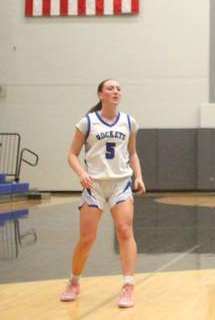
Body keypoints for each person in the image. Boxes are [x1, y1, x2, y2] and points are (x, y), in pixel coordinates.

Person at [59, 79, 145, 308]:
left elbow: (132, 152)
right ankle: (73, 282)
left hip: (120, 183)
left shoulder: (129, 122)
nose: (115, 91)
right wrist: (81, 173)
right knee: (87, 238)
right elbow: (72, 154)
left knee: (125, 231)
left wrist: (138, 176)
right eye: (110, 88)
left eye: (118, 88)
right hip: (94, 185)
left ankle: (128, 286)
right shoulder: (87, 122)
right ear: (100, 94)